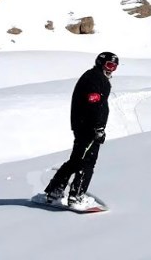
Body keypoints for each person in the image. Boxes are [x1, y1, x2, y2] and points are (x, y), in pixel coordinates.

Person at [44, 51, 119, 206]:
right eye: (109, 65)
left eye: (115, 67)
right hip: (89, 127)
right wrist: (98, 128)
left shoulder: (94, 77)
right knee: (87, 162)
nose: (111, 70)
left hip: (84, 125)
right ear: (100, 63)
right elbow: (93, 103)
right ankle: (76, 196)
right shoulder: (95, 78)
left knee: (77, 160)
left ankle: (54, 190)